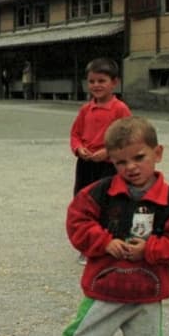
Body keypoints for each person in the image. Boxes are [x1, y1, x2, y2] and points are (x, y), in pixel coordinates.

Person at [34, 116, 169, 336]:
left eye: (139, 157)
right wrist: (103, 242)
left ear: (158, 153)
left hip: (148, 292)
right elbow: (77, 223)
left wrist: (151, 249)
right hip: (105, 288)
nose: (131, 167)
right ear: (111, 160)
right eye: (121, 162)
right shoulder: (99, 193)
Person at [70, 57, 131, 264]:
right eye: (92, 81)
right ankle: (87, 244)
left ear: (114, 83)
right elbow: (75, 134)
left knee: (106, 203)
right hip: (86, 164)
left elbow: (126, 135)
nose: (96, 85)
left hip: (108, 165)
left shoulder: (120, 109)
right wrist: (78, 148)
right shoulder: (85, 110)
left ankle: (108, 243)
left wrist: (108, 151)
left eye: (102, 81)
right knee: (83, 200)